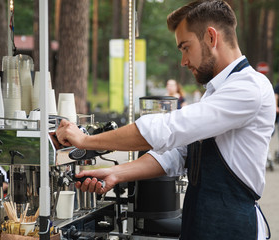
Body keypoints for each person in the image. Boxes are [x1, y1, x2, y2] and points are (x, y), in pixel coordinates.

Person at [56, 1, 275, 239]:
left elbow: (169, 129)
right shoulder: (216, 92)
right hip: (199, 225)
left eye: (185, 47)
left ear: (211, 38)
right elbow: (177, 154)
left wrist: (86, 140)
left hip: (233, 228)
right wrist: (117, 173)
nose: (183, 61)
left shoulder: (248, 88)